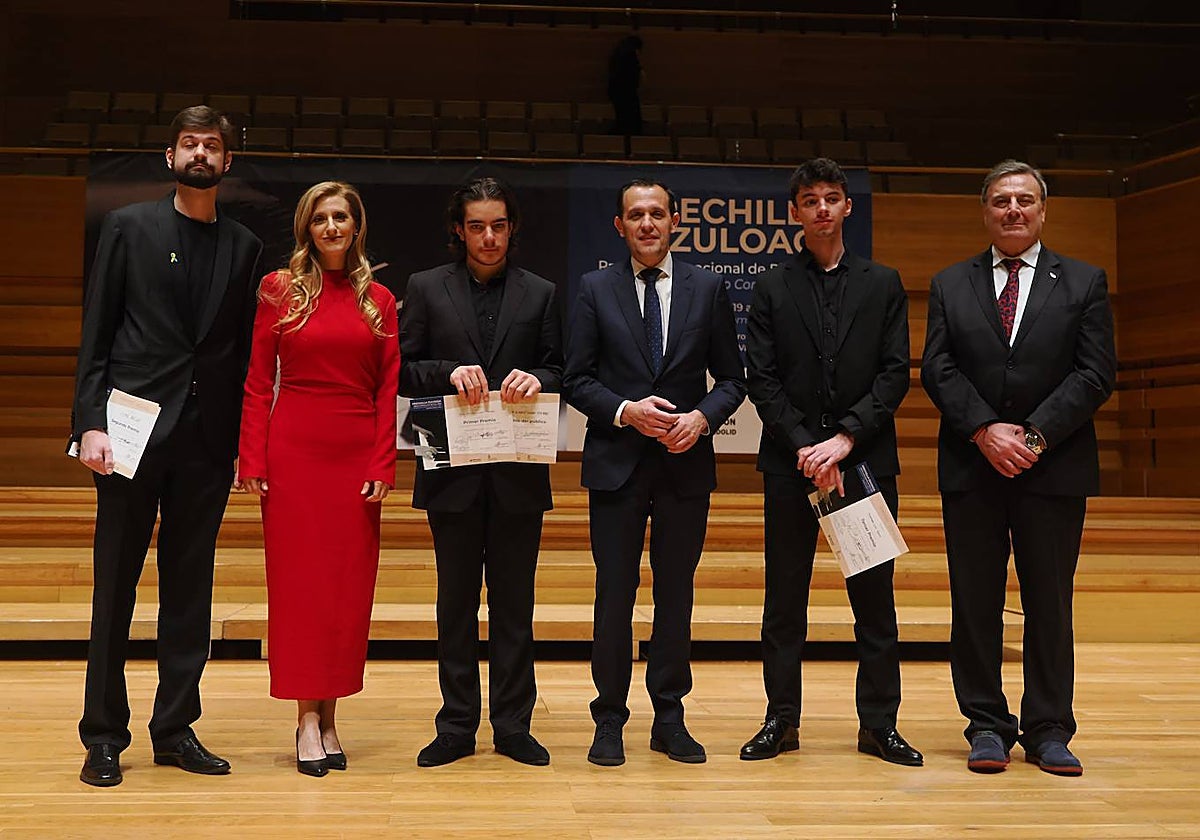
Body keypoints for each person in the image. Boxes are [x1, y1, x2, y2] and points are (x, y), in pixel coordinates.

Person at [72, 105, 262, 787]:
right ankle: (102, 736)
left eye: (212, 145)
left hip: (206, 441)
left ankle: (175, 728)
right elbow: (98, 331)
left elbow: (239, 354)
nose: (201, 153)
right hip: (128, 430)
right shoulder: (128, 227)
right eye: (189, 144)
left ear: (227, 162)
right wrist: (88, 420)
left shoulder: (244, 246)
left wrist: (244, 441)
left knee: (190, 591)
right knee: (114, 587)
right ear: (170, 157)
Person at [921, 159, 1116, 776]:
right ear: (984, 211)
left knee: (1049, 603)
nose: (1013, 210)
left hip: (1053, 469)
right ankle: (985, 723)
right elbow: (937, 368)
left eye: (1024, 200)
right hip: (972, 465)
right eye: (1001, 200)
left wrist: (1032, 436)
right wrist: (984, 430)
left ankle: (1050, 727)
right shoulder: (951, 283)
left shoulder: (1084, 282)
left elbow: (1095, 373)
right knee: (974, 601)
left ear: (1042, 210)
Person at [741, 157, 923, 767]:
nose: (822, 208)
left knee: (874, 605)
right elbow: (760, 379)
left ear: (849, 207)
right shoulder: (770, 286)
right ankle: (780, 721)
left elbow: (895, 374)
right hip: (791, 467)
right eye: (810, 199)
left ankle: (879, 726)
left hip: (862, 465)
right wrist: (804, 445)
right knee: (784, 603)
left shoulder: (883, 281)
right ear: (794, 213)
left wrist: (844, 439)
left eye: (832, 198)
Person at [563, 178, 746, 767]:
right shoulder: (594, 288)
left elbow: (734, 380)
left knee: (676, 597)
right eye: (635, 215)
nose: (647, 224)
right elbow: (576, 379)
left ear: (674, 224)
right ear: (619, 226)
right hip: (616, 466)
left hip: (683, 468)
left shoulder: (708, 287)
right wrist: (625, 412)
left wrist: (703, 418)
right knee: (613, 598)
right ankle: (609, 719)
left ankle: (669, 717)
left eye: (657, 214)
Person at [399, 177, 562, 768]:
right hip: (451, 472)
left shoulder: (542, 292)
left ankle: (513, 725)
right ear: (458, 230)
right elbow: (401, 370)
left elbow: (562, 367)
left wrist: (540, 379)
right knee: (455, 604)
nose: (488, 237)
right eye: (476, 226)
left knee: (516, 606)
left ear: (512, 227)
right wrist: (446, 372)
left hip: (518, 470)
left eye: (498, 225)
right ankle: (456, 725)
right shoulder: (424, 287)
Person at [238, 181, 399, 778]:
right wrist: (251, 458)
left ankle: (332, 715)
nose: (331, 227)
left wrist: (383, 462)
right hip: (295, 452)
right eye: (320, 218)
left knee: (346, 591)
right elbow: (257, 381)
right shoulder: (280, 291)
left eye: (342, 217)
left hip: (356, 454)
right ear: (307, 227)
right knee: (300, 588)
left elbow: (388, 389)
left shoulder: (378, 297)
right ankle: (307, 717)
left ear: (356, 227)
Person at [607, 34, 644, 136]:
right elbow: (633, 77)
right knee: (631, 119)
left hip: (617, 91)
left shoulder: (617, 54)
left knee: (621, 117)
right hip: (628, 92)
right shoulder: (630, 56)